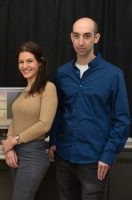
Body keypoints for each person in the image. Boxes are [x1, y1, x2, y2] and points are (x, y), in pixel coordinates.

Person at [48, 17, 131, 200]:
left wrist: (108, 155)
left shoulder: (113, 75)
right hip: (64, 157)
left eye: (87, 36)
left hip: (95, 160)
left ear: (96, 38)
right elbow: (58, 111)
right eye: (76, 36)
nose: (81, 42)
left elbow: (122, 120)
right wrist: (53, 140)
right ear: (71, 37)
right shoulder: (62, 73)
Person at [2, 41, 58, 200]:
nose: (24, 65)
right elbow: (14, 121)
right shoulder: (24, 92)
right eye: (21, 62)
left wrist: (14, 140)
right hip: (17, 154)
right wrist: (9, 148)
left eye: (29, 61)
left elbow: (44, 125)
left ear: (40, 63)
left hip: (33, 155)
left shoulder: (48, 88)